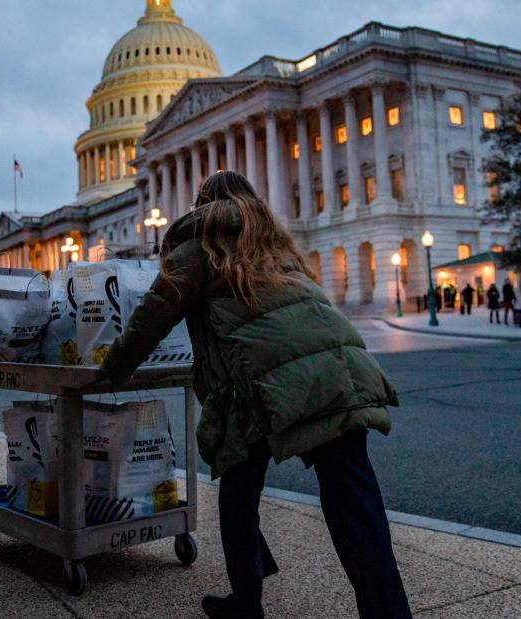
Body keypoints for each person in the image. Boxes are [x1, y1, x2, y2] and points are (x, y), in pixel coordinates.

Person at [99, 171, 411, 619]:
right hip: (338, 372)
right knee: (354, 502)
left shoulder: (201, 242)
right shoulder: (275, 243)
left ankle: (247, 601)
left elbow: (155, 312)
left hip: (266, 384)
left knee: (239, 492)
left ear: (201, 204)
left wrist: (111, 370)